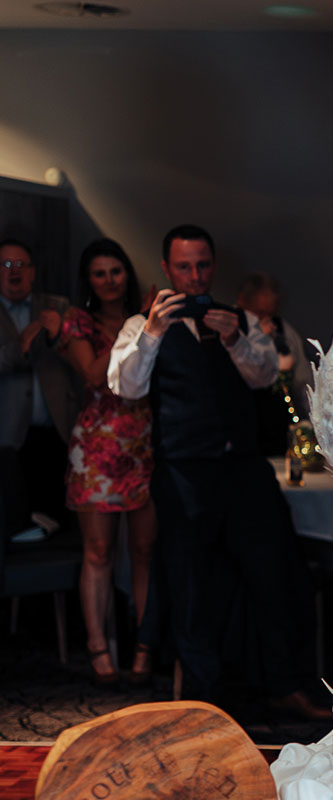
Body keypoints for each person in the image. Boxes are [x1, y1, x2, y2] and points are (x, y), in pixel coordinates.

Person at [108, 224, 328, 718]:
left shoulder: (240, 319)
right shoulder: (140, 325)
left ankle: (285, 684)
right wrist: (152, 333)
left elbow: (266, 375)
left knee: (273, 574)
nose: (194, 276)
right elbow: (127, 387)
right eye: (184, 266)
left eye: (202, 265)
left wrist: (235, 340)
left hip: (243, 468)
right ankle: (201, 704)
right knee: (191, 586)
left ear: (213, 265)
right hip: (184, 472)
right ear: (166, 268)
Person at [61, 238, 156, 686]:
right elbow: (94, 374)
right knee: (98, 551)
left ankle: (145, 647)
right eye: (99, 273)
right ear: (89, 279)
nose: (108, 281)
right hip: (98, 447)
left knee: (144, 551)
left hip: (143, 442)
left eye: (115, 271)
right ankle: (98, 648)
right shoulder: (79, 321)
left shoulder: (148, 317)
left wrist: (145, 321)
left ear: (126, 273)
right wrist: (138, 326)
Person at [0, 238, 79, 540]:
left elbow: (79, 359)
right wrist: (20, 346)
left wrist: (57, 335)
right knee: (17, 530)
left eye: (21, 264)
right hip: (8, 437)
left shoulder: (57, 307)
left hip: (58, 430)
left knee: (62, 525)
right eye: (7, 264)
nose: (14, 271)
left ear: (33, 272)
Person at [236, 272, 315, 455]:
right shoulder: (231, 329)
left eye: (270, 314)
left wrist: (313, 421)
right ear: (242, 302)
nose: (267, 323)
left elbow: (304, 381)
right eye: (259, 314)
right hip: (241, 430)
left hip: (278, 431)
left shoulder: (285, 331)